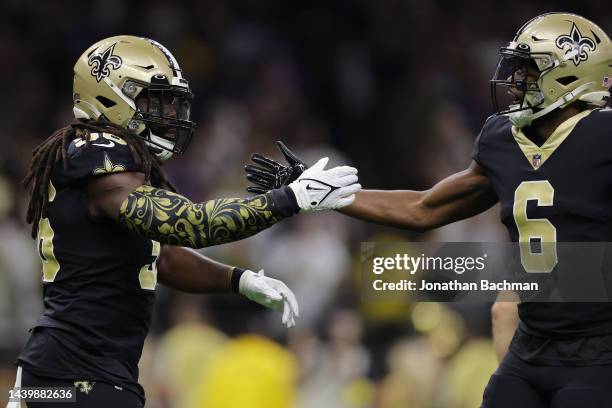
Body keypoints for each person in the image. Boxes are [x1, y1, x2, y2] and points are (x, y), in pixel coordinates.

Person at [245, 13, 612, 407]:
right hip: (532, 347)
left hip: (598, 348)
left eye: (530, 70)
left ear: (574, 75)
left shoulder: (602, 136)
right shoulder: (503, 140)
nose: (516, 81)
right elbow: (424, 207)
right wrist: (332, 196)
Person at [9, 35, 361, 408]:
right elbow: (187, 223)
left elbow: (163, 257)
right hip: (75, 375)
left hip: (69, 372)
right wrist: (289, 199)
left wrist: (238, 280)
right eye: (154, 102)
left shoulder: (97, 159)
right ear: (111, 96)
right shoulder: (97, 154)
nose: (170, 116)